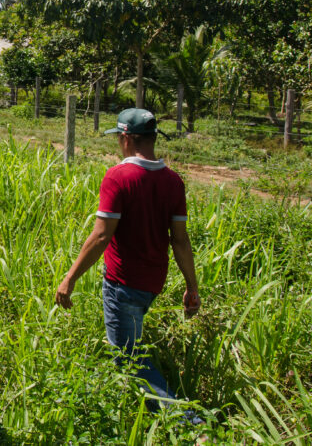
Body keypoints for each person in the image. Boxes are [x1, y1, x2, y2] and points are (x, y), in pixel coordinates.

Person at [54, 107, 201, 418]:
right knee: (131, 345)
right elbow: (180, 241)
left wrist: (70, 278)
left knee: (128, 358)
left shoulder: (119, 176)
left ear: (125, 138)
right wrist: (191, 286)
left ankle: (191, 423)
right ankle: (135, 410)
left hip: (123, 283)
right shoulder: (173, 181)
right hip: (153, 283)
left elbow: (101, 236)